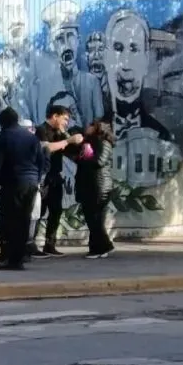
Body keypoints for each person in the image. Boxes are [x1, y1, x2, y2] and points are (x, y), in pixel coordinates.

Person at [0, 107, 45, 271]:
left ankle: (12, 259)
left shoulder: (2, 138)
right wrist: (36, 180)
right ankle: (19, 256)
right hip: (31, 184)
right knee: (24, 220)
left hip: (12, 184)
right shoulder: (32, 138)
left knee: (9, 220)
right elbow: (41, 162)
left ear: (2, 122)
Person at [34, 104, 85, 256]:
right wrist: (68, 140)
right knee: (39, 212)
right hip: (43, 178)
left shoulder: (61, 133)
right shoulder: (41, 130)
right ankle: (31, 245)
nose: (66, 122)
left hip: (56, 177)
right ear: (55, 116)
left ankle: (50, 244)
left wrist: (75, 141)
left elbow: (72, 152)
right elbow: (46, 148)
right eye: (64, 119)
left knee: (56, 211)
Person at [74, 119, 116, 259]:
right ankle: (97, 248)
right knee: (93, 219)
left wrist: (84, 157)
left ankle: (104, 246)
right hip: (90, 185)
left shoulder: (104, 142)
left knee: (95, 219)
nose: (88, 127)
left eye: (91, 125)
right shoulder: (90, 142)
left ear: (99, 128)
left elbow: (99, 161)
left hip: (99, 186)